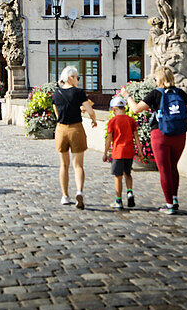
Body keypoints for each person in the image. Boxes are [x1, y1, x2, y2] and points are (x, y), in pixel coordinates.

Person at [122, 68, 187, 214]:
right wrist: (175, 119)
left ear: (160, 79)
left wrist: (127, 96)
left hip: (160, 134)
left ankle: (169, 205)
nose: (155, 81)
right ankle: (174, 199)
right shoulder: (180, 93)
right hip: (179, 135)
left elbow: (136, 109)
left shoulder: (156, 93)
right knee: (173, 167)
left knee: (164, 170)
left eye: (156, 79)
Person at [52, 66, 96, 209]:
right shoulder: (78, 93)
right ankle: (79, 191)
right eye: (77, 77)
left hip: (61, 130)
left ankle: (65, 196)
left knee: (64, 165)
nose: (78, 80)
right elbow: (90, 110)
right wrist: (94, 119)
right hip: (76, 128)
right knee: (78, 165)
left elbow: (57, 114)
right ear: (70, 78)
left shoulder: (56, 93)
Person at [103, 95, 138, 210]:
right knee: (128, 173)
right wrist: (140, 151)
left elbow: (109, 138)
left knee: (118, 176)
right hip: (129, 151)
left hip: (118, 152)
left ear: (113, 109)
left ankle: (118, 200)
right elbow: (136, 136)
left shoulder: (112, 121)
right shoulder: (131, 120)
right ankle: (130, 192)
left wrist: (105, 152)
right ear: (124, 107)